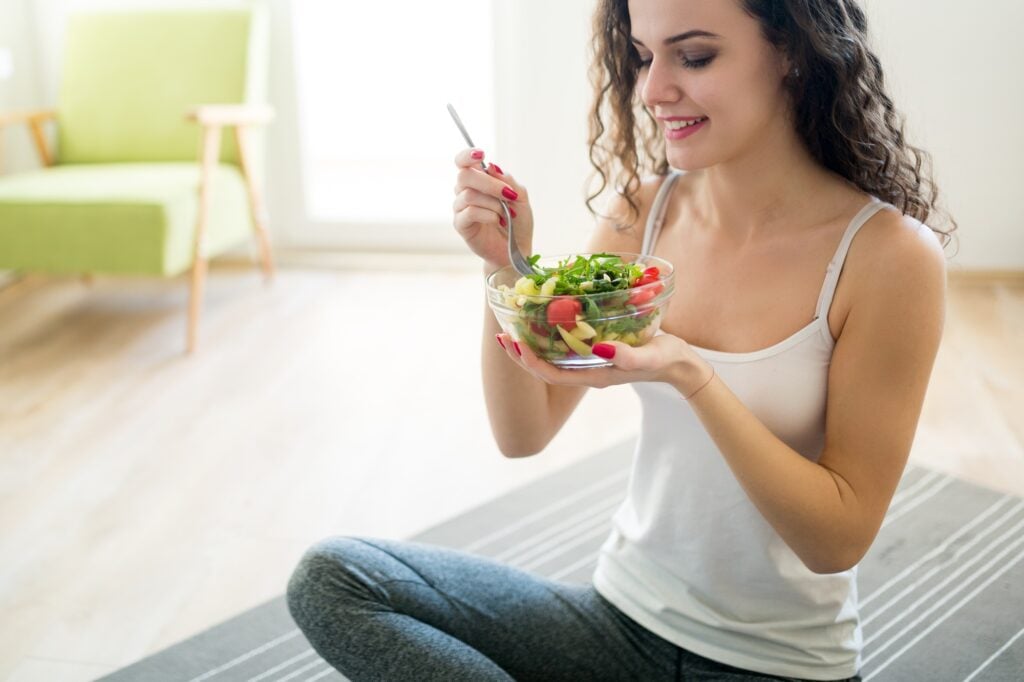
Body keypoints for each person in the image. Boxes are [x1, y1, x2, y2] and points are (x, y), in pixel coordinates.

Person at [286, 0, 953, 679]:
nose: (653, 89)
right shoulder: (643, 212)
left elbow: (837, 540)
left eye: (694, 56)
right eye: (642, 56)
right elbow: (525, 432)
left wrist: (691, 375)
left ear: (793, 50)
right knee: (334, 578)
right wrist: (506, 264)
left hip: (774, 664)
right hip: (621, 623)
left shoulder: (888, 258)